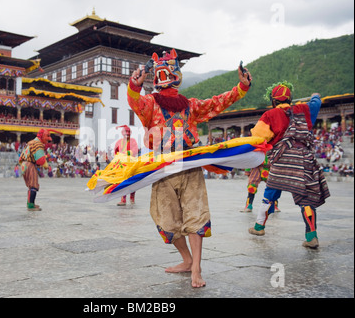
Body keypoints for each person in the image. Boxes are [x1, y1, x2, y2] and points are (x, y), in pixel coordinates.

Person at [127, 49, 252, 287]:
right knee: (167, 222)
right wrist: (134, 85)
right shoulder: (151, 104)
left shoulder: (189, 106)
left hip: (189, 166)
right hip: (163, 169)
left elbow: (217, 102)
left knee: (195, 217)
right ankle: (187, 260)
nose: (164, 75)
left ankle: (196, 268)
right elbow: (135, 102)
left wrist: (241, 88)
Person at [248, 81, 330, 249]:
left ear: (273, 101)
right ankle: (311, 236)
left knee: (270, 194)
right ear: (290, 99)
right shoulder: (305, 109)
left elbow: (257, 137)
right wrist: (315, 96)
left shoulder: (269, 115)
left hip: (281, 159)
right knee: (306, 198)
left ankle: (259, 227)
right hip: (303, 159)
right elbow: (316, 103)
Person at [19, 129, 57, 211]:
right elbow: (40, 160)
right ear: (42, 136)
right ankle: (31, 206)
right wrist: (46, 166)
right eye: (47, 137)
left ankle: (30, 203)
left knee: (30, 186)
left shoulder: (31, 142)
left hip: (23, 165)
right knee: (33, 185)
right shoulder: (38, 144)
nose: (48, 140)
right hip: (30, 165)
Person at [114, 125, 138, 206]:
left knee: (132, 182)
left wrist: (126, 153)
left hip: (131, 164)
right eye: (125, 132)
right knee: (123, 182)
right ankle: (123, 199)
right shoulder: (119, 142)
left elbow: (135, 150)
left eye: (128, 132)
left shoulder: (133, 141)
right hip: (122, 165)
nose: (127, 134)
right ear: (122, 133)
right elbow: (115, 151)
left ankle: (132, 197)